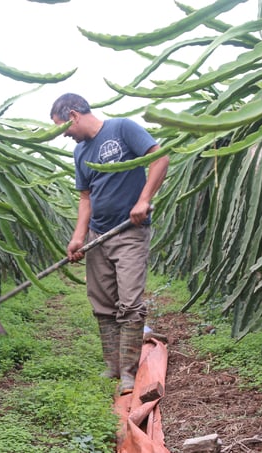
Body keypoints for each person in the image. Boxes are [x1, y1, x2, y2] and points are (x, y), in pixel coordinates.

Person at [50, 93, 169, 395]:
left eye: (64, 129)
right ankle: (113, 366)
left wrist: (144, 200)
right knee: (102, 304)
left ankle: (129, 373)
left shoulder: (122, 129)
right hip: (97, 236)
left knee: (129, 302)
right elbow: (86, 197)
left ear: (74, 115)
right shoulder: (80, 153)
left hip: (130, 230)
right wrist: (79, 236)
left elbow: (160, 157)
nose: (66, 136)